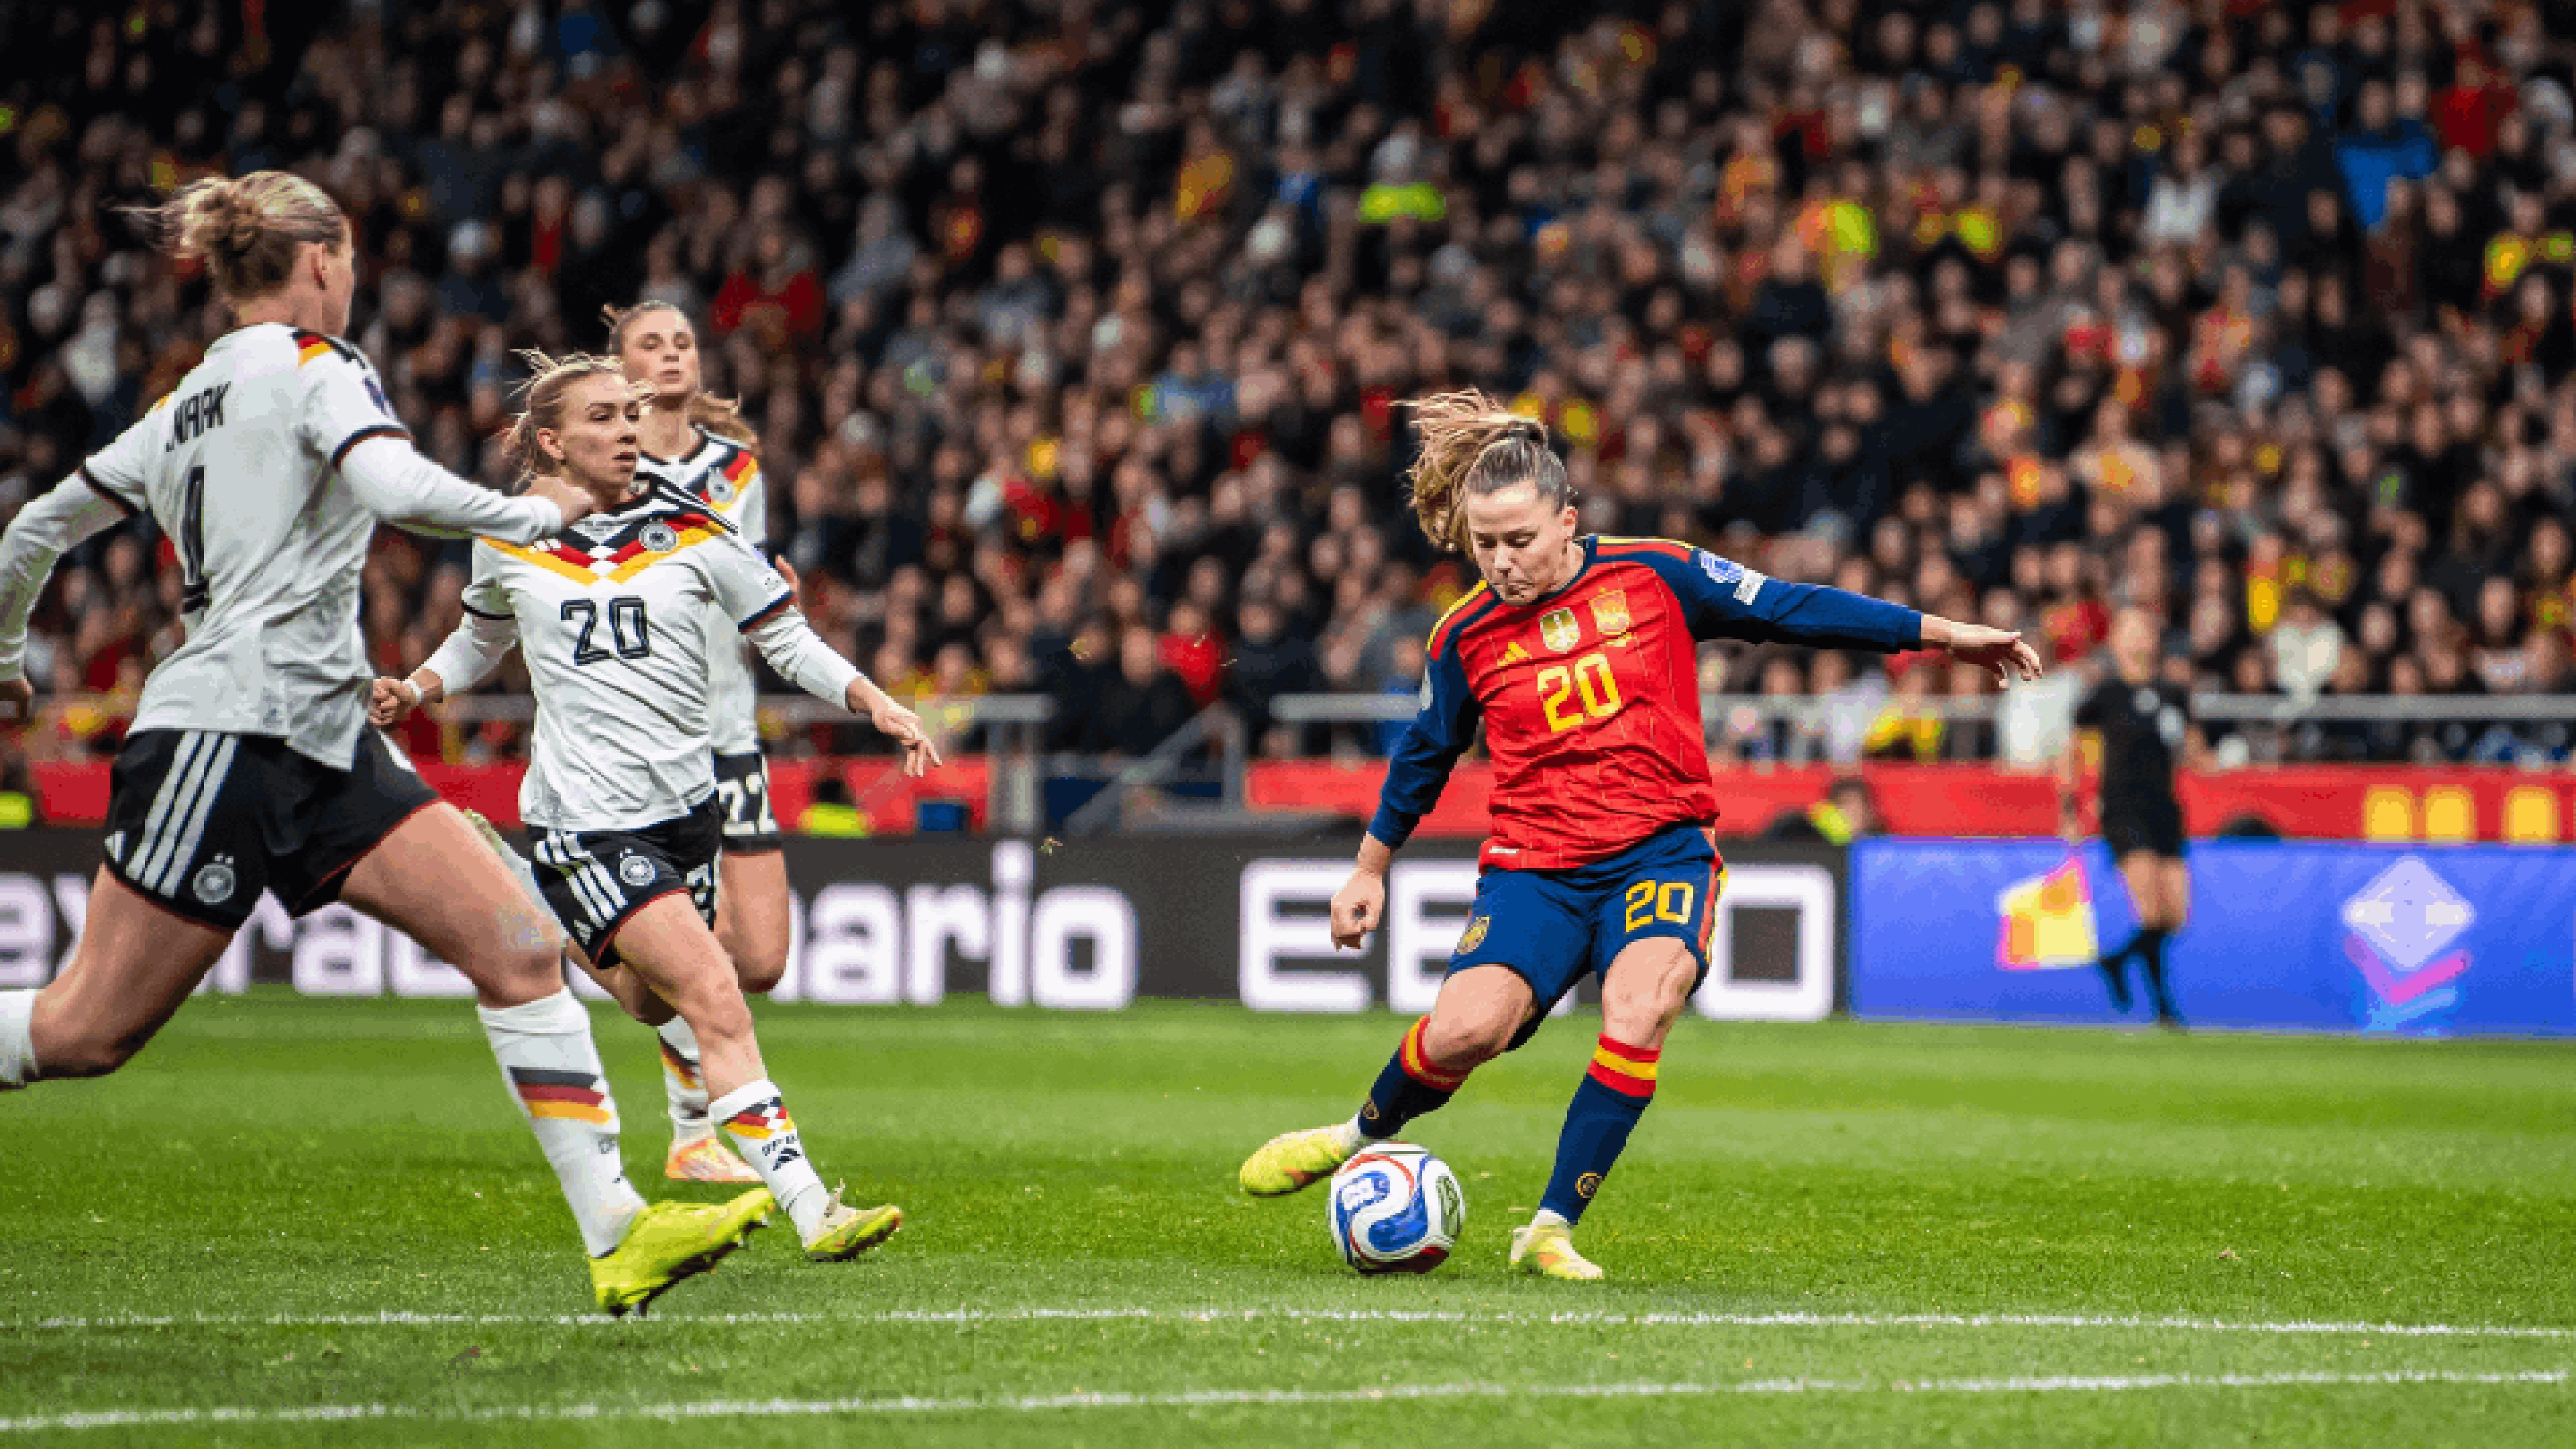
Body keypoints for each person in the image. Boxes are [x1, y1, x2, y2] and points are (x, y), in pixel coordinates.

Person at [0, 172, 769, 1316]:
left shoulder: (184, 402)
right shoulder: (320, 369)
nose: (353, 281)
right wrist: (536, 516)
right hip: (225, 730)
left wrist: (8, 651)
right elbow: (388, 482)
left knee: (517, 946)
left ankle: (619, 1234)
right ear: (321, 261)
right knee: (85, 1031)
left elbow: (35, 525)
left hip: (326, 735)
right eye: (350, 260)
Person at [1236, 392, 2041, 1279]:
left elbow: (1791, 606)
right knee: (1469, 1031)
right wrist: (1369, 870)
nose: (1499, 562)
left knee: (1640, 1005)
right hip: (1534, 872)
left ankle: (1547, 1227)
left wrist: (1949, 638)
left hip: (1660, 853)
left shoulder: (1657, 573)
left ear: (1569, 521)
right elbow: (1425, 755)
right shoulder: (1462, 635)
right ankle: (1357, 1136)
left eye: (1520, 541)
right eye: (1484, 543)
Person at [372, 352, 941, 1267]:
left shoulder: (694, 526)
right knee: (717, 992)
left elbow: (783, 635)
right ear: (552, 442)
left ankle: (530, 902)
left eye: (631, 415)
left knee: (646, 999)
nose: (629, 430)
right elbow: (482, 634)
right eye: (604, 418)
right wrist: (422, 685)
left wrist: (874, 701)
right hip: (585, 820)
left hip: (686, 813)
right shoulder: (508, 536)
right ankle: (812, 1208)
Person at [605, 299, 796, 1184]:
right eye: (652, 343)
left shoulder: (737, 470)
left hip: (730, 730)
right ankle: (692, 1134)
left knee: (759, 955)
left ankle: (567, 939)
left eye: (683, 340)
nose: (673, 353)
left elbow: (742, 593)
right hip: (646, 739)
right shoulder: (600, 467)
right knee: (694, 951)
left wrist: (771, 602)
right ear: (619, 368)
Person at [2062, 606, 2195, 1027]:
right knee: (2151, 912)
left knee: (2177, 915)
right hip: (2123, 808)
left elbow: (2192, 750)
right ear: (2115, 641)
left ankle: (2115, 961)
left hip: (2164, 808)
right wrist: (2071, 809)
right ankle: (2163, 1008)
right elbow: (2073, 753)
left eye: (2145, 631)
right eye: (2130, 631)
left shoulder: (2174, 693)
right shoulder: (2105, 695)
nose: (2139, 640)